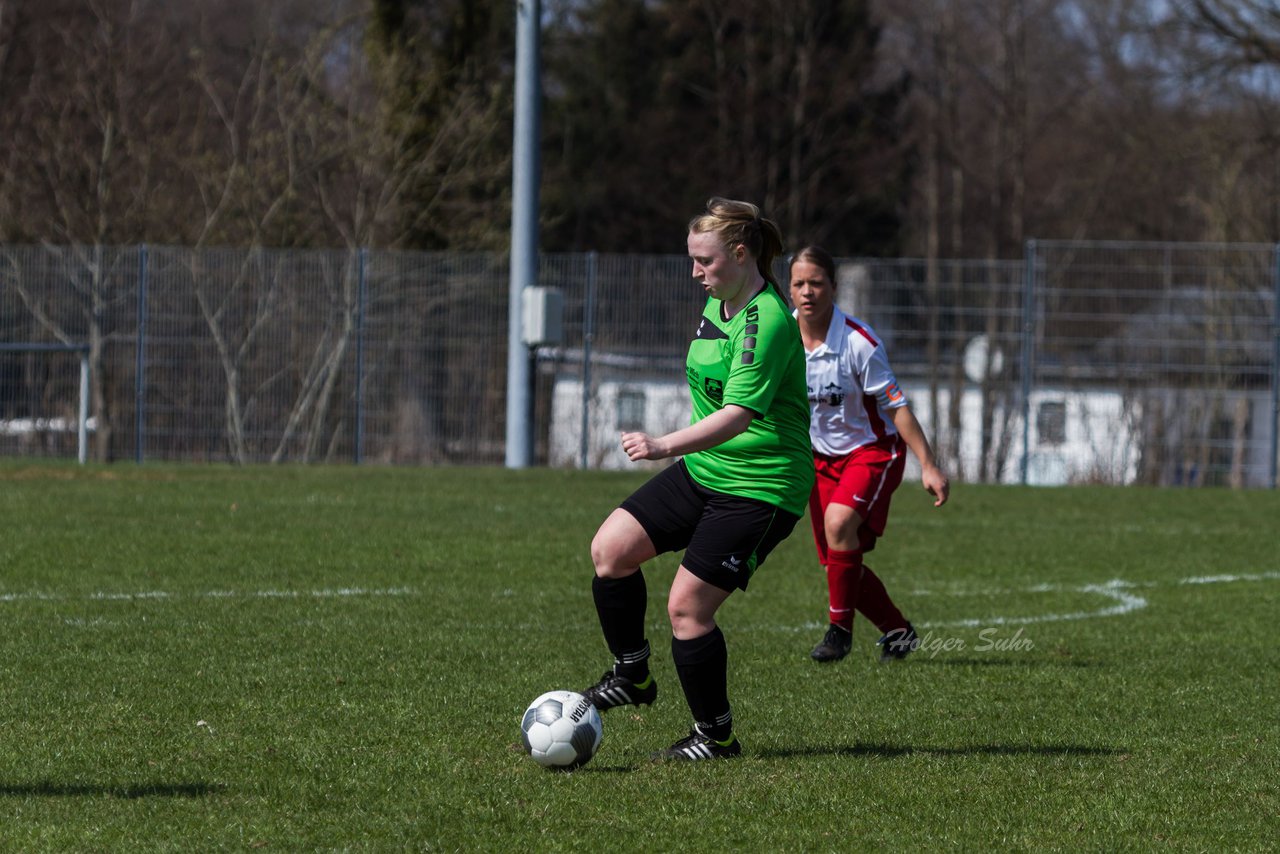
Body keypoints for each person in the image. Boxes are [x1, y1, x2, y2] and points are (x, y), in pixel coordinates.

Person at [580, 197, 814, 761]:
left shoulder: (768, 320)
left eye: (704, 261)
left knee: (687, 609)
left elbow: (737, 415)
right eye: (692, 260)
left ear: (740, 253)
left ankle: (716, 736)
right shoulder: (722, 304)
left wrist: (662, 445)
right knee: (611, 550)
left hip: (759, 485)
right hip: (706, 470)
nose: (695, 272)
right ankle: (632, 676)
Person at [788, 245, 950, 664]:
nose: (808, 292)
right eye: (799, 284)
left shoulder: (860, 343)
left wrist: (928, 466)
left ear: (834, 288)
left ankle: (839, 633)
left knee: (839, 524)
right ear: (789, 290)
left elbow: (897, 407)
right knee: (839, 564)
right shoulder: (782, 341)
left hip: (871, 452)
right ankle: (898, 632)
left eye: (817, 283)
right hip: (818, 460)